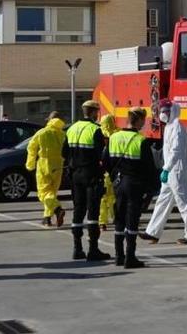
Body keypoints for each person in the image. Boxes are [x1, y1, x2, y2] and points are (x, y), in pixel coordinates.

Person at [141, 100, 187, 245]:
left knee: (183, 202)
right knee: (163, 201)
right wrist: (166, 169)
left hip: (176, 170)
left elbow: (176, 151)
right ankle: (152, 232)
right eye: (161, 111)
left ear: (172, 111)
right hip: (170, 170)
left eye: (164, 111)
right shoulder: (169, 127)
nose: (162, 114)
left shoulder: (178, 128)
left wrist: (166, 169)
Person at [105, 107, 157, 268]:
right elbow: (149, 167)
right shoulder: (140, 140)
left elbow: (106, 162)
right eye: (144, 120)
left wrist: (114, 178)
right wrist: (152, 188)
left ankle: (118, 256)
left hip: (118, 184)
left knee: (119, 219)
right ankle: (130, 257)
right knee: (132, 220)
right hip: (135, 184)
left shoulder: (113, 137)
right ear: (139, 120)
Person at [63, 100, 110, 261]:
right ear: (94, 112)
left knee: (78, 210)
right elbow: (101, 155)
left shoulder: (71, 128)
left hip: (75, 175)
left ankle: (77, 249)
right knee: (92, 212)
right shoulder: (95, 130)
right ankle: (93, 249)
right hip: (91, 175)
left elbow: (64, 153)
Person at [26, 112, 67, 227]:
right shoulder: (63, 134)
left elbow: (31, 147)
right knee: (52, 192)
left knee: (43, 192)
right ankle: (47, 217)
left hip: (44, 163)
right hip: (58, 164)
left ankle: (57, 209)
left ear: (49, 120)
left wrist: (30, 164)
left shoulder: (42, 132)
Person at [98, 114, 119, 232]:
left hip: (103, 170)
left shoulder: (99, 133)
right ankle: (115, 217)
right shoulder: (117, 134)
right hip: (115, 170)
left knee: (103, 198)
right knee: (114, 197)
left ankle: (102, 222)